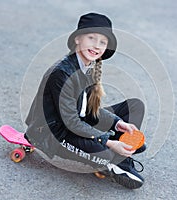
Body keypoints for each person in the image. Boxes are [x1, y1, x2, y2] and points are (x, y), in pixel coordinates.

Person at [24, 12, 146, 189]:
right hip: (55, 134)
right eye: (91, 38)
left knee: (134, 106)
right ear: (77, 39)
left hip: (78, 124)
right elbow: (71, 122)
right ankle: (114, 159)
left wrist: (118, 124)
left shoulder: (89, 66)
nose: (96, 46)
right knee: (107, 155)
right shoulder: (61, 73)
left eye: (102, 42)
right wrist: (108, 142)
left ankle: (120, 150)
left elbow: (87, 111)